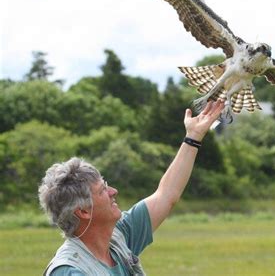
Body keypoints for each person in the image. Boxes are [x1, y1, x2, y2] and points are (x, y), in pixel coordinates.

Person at [39, 100, 225, 275]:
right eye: (102, 191)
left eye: (106, 185)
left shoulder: (119, 236)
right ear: (84, 212)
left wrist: (193, 136)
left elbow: (166, 195)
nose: (113, 191)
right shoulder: (70, 271)